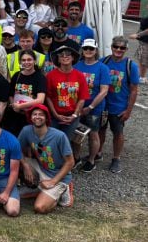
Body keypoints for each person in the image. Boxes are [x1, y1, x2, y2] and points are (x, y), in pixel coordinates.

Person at [18, 105, 75, 212]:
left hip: (57, 175)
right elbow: (17, 149)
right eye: (34, 114)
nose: (37, 117)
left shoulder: (59, 136)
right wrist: (25, 165)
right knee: (16, 161)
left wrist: (53, 181)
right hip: (41, 168)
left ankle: (65, 189)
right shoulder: (26, 131)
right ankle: (36, 188)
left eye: (41, 114)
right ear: (30, 118)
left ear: (47, 118)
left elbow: (70, 162)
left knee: (40, 208)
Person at [99, 36, 139, 174]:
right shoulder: (103, 61)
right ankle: (98, 152)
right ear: (111, 47)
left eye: (122, 47)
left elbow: (134, 90)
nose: (118, 49)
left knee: (118, 133)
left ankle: (116, 158)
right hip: (103, 105)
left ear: (126, 49)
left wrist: (128, 110)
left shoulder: (130, 65)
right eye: (116, 46)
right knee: (100, 131)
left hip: (119, 107)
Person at [46, 45, 89, 164]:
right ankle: (53, 165)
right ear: (58, 59)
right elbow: (48, 97)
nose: (65, 57)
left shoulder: (79, 76)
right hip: (55, 116)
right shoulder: (50, 75)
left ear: (73, 58)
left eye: (68, 55)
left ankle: (66, 167)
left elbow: (82, 98)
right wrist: (55, 115)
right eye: (61, 55)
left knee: (67, 142)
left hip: (72, 116)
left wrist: (74, 115)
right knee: (53, 141)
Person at [74, 38, 110, 173]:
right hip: (78, 106)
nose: (88, 51)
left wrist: (90, 107)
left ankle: (91, 160)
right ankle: (76, 157)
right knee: (77, 133)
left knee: (93, 134)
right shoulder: (77, 66)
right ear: (82, 50)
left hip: (95, 108)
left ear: (96, 50)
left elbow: (104, 91)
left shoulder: (102, 68)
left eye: (91, 49)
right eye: (86, 48)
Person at [4, 49, 47, 137]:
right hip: (14, 116)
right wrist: (13, 104)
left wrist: (21, 106)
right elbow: (11, 94)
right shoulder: (17, 75)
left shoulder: (40, 77)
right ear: (20, 61)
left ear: (34, 61)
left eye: (29, 59)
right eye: (23, 60)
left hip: (30, 117)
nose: (26, 62)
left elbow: (40, 100)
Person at [129, 5, 148, 83]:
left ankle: (142, 77)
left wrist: (137, 35)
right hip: (143, 42)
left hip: (146, 42)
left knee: (144, 60)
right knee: (142, 59)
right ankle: (142, 77)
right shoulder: (145, 19)